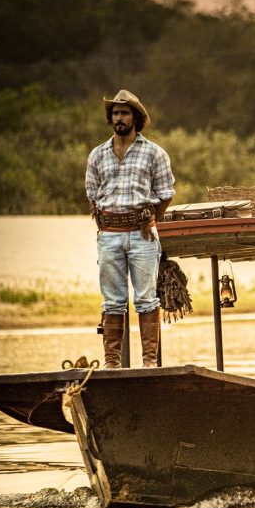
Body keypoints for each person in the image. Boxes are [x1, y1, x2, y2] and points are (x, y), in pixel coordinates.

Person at [85, 90, 175, 368]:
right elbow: (92, 193)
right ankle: (112, 363)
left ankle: (149, 362)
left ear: (135, 117)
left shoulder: (154, 152)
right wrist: (104, 221)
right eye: (115, 113)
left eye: (124, 113)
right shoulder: (98, 154)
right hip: (110, 233)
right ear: (110, 119)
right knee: (112, 301)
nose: (119, 118)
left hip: (141, 234)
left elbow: (166, 192)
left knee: (146, 299)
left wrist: (151, 220)